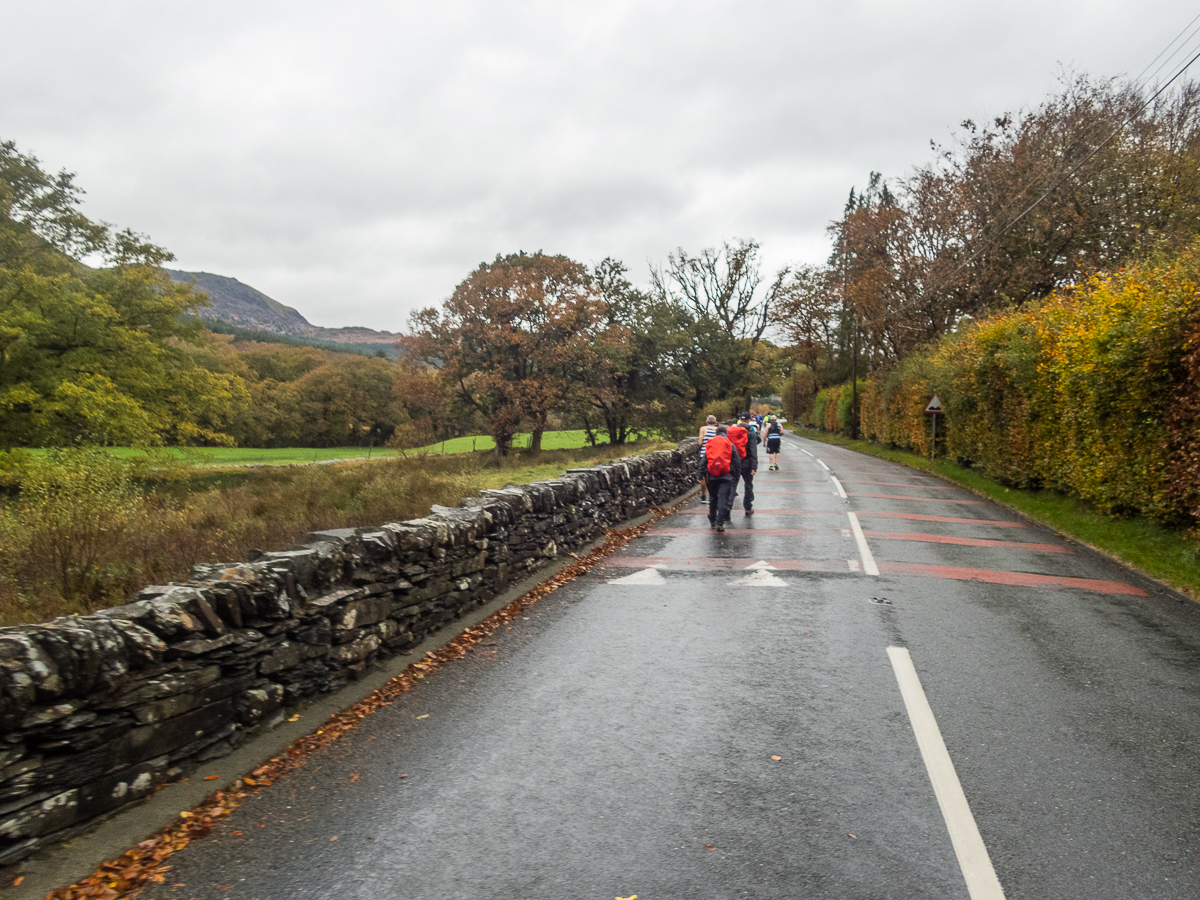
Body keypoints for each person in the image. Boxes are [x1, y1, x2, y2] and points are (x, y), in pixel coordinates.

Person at [704, 424, 741, 532]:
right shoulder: (730, 444)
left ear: (716, 434)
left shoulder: (711, 443)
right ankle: (720, 522)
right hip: (726, 476)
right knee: (723, 498)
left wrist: (701, 473)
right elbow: (737, 462)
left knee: (713, 498)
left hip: (712, 476)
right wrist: (736, 476)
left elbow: (704, 460)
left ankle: (712, 520)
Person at [727, 412, 758, 514]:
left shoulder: (732, 431)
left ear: (740, 419)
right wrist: (754, 466)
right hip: (747, 463)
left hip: (734, 463)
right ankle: (748, 508)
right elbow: (753, 450)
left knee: (732, 485)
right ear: (749, 419)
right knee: (748, 485)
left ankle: (728, 507)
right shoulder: (750, 433)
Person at [696, 415, 718, 501]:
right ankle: (713, 494)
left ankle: (703, 495)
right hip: (715, 455)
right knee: (714, 474)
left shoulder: (703, 429)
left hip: (704, 454)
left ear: (706, 421)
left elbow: (700, 442)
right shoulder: (717, 430)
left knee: (703, 475)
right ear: (715, 422)